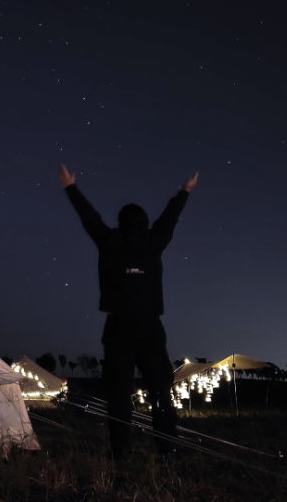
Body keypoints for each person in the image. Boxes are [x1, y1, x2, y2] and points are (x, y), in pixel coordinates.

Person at [58, 164, 198, 462]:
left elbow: (90, 218)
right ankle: (168, 453)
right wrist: (184, 191)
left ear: (121, 223)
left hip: (118, 329)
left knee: (119, 396)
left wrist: (70, 186)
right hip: (150, 329)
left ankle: (120, 453)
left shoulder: (109, 241)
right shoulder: (154, 241)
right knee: (161, 392)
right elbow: (169, 219)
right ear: (144, 223)